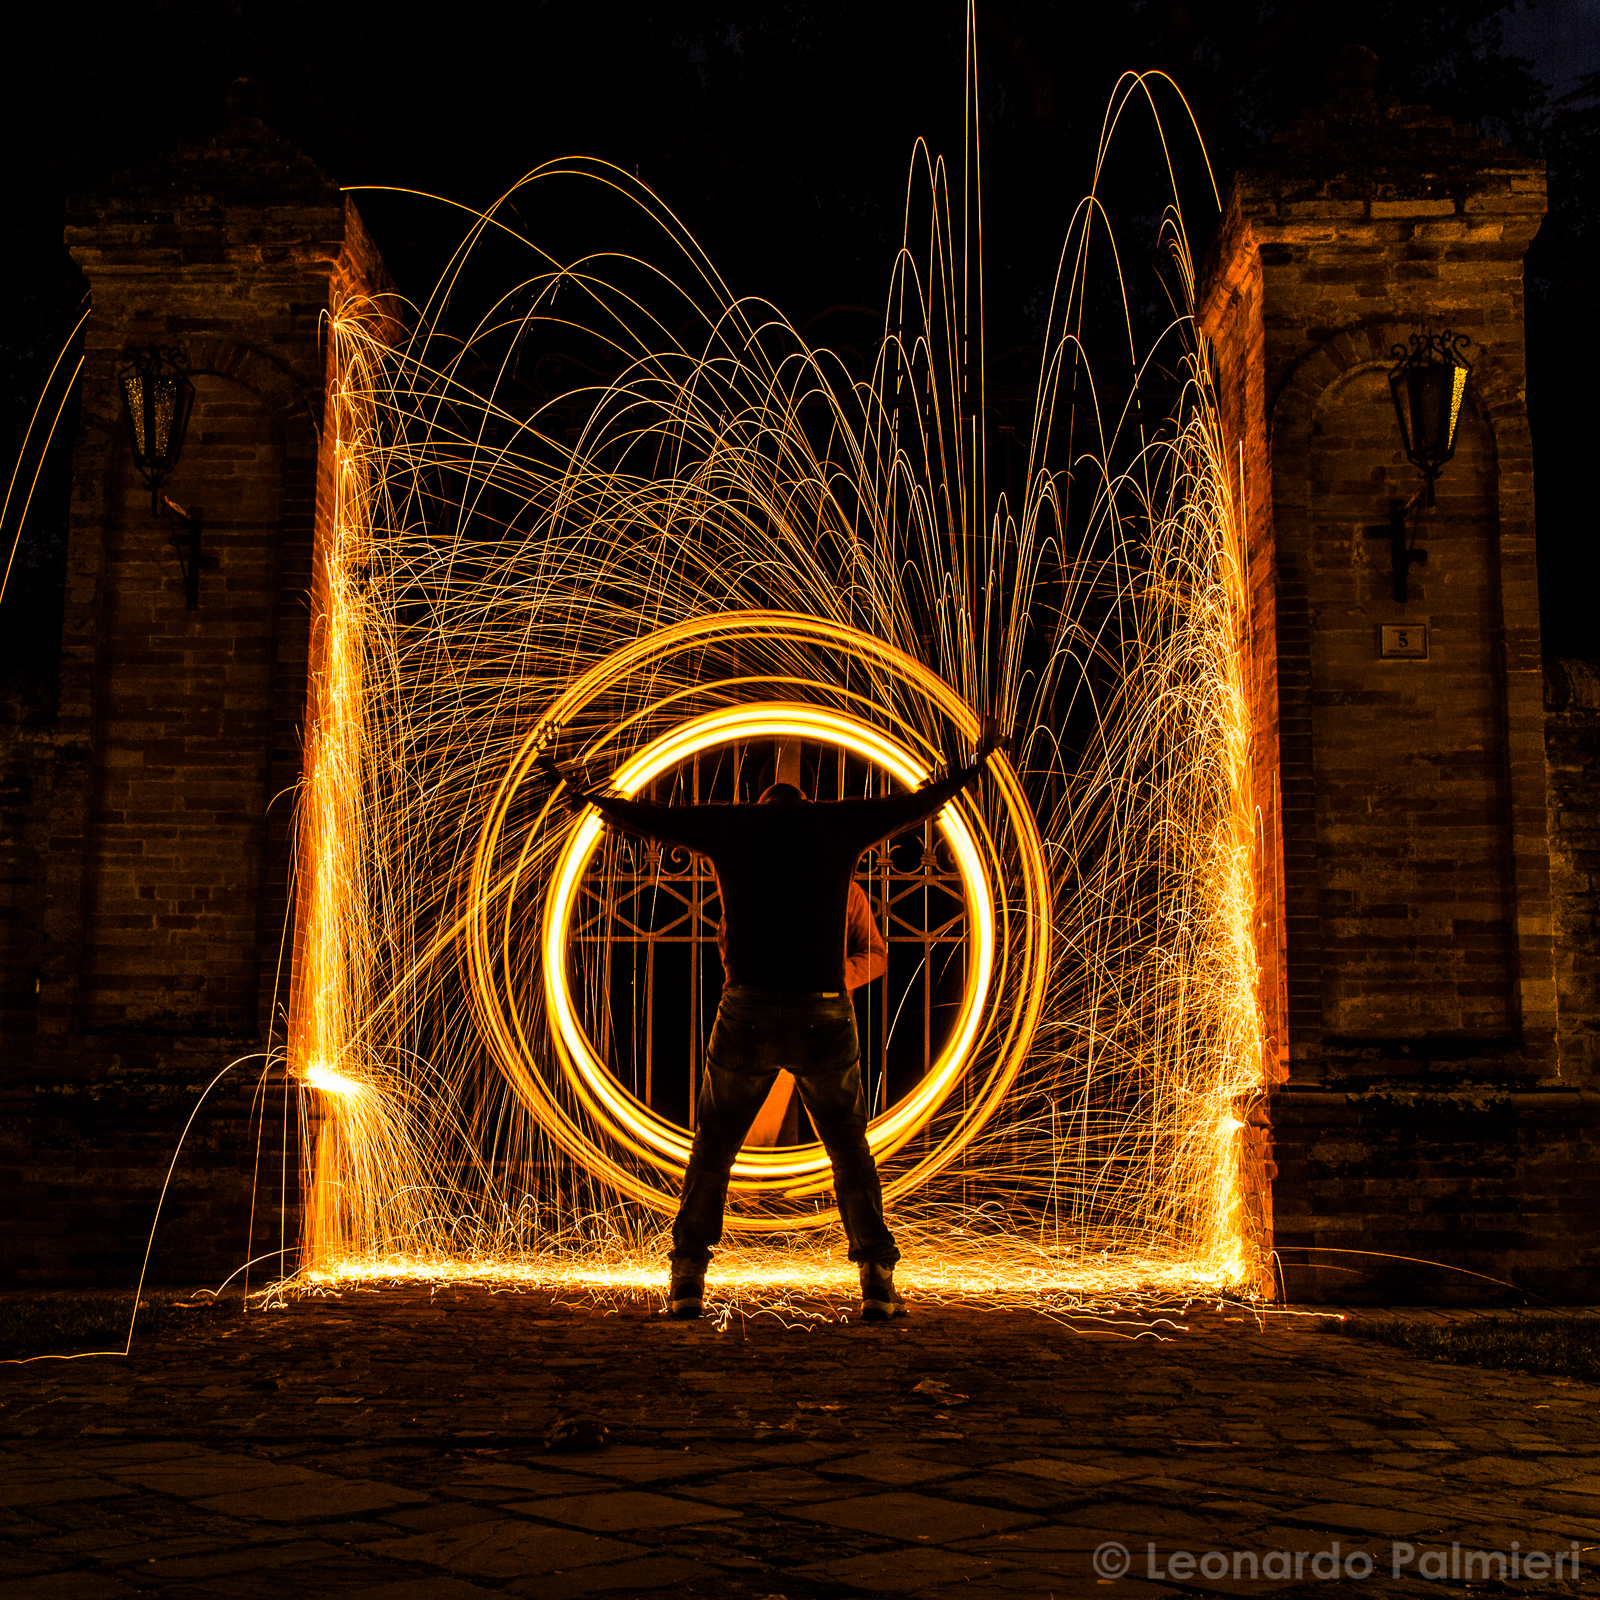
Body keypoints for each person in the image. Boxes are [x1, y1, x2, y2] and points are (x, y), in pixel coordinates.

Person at [540, 717, 1004, 1321]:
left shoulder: (733, 824)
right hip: (822, 1009)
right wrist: (975, 761)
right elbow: (922, 802)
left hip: (748, 1008)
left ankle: (687, 1280)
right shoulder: (836, 822)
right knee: (848, 1149)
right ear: (807, 795)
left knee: (713, 1148)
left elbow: (644, 817)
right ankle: (876, 1282)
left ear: (758, 796)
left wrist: (573, 784)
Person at [744, 878, 886, 1146]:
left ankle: (844, 1186)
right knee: (757, 1133)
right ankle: (749, 1186)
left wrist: (836, 978)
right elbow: (730, 940)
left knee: (843, 1135)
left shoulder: (846, 891)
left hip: (825, 1025)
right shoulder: (761, 885)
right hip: (772, 1020)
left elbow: (876, 956)